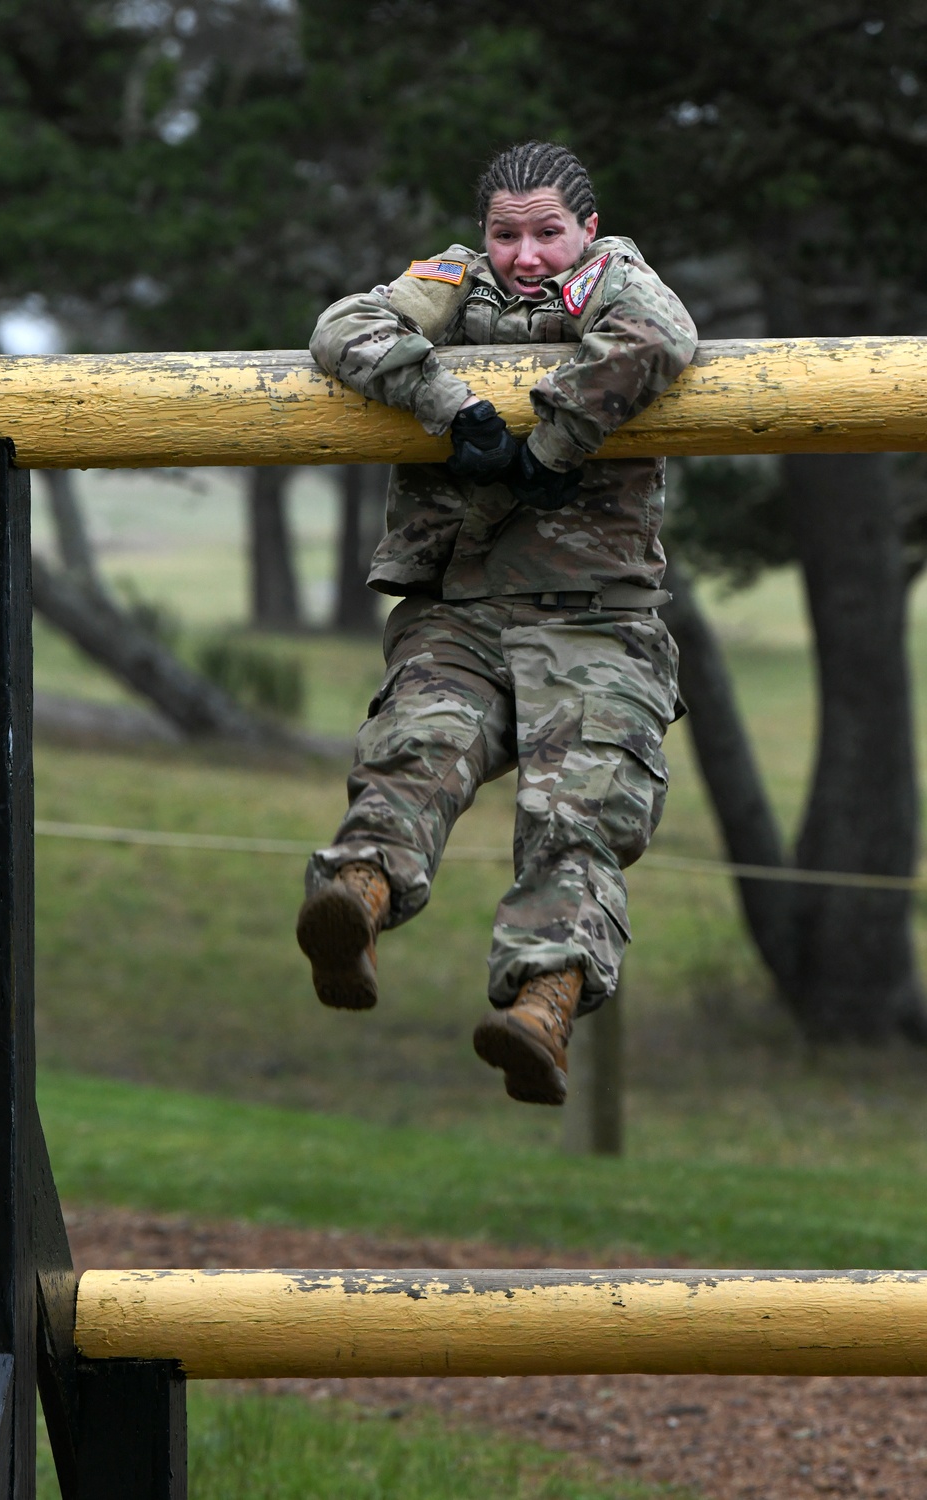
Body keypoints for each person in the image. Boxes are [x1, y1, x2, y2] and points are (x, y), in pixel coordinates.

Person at [296, 141, 697, 1106]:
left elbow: (657, 337)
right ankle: (355, 900)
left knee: (576, 815)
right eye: (506, 234)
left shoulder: (615, 282)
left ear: (586, 232)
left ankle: (539, 1009)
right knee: (415, 750)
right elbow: (344, 328)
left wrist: (553, 440)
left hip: (598, 615)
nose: (525, 255)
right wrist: (449, 402)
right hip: (463, 605)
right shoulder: (450, 282)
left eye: (546, 234)